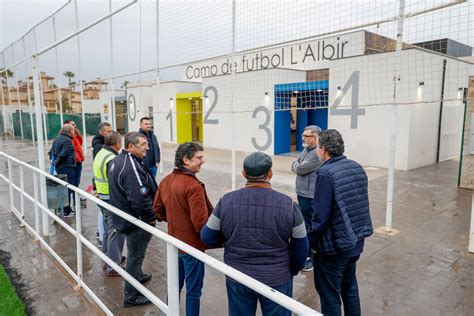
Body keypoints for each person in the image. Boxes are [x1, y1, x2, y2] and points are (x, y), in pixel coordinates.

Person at [201, 152, 308, 316]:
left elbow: (207, 237)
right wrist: (292, 269)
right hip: (277, 278)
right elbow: (301, 246)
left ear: (244, 174)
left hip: (238, 276)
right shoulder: (289, 205)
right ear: (270, 174)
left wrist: (228, 239)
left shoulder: (225, 201)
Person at [308, 129, 373, 316]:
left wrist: (311, 242)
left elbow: (320, 218)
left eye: (318, 147)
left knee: (330, 295)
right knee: (349, 287)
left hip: (334, 248)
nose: (317, 151)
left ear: (324, 149)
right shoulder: (356, 167)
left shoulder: (325, 174)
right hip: (355, 242)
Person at [153, 142, 213, 316]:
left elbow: (157, 210)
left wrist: (174, 220)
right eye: (199, 158)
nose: (203, 161)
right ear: (186, 160)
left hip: (174, 244)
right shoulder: (193, 186)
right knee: (193, 291)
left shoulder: (166, 181)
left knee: (174, 286)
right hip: (192, 247)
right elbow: (200, 223)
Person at [108, 131, 157, 307]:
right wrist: (150, 219)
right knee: (135, 256)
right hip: (134, 221)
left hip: (124, 218)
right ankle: (131, 296)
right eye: (143, 144)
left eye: (147, 144)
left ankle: (137, 276)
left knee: (135, 254)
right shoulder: (130, 166)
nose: (147, 147)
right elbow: (140, 199)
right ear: (130, 146)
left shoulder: (119, 160)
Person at [92, 131, 126, 276]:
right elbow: (116, 182)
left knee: (107, 230)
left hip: (102, 198)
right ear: (117, 143)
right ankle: (114, 266)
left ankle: (110, 257)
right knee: (115, 232)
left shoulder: (100, 153)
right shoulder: (112, 158)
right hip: (111, 200)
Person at [291, 125, 322, 272]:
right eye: (302, 135)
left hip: (310, 195)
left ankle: (311, 257)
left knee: (309, 226)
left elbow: (300, 168)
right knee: (305, 223)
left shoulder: (316, 153)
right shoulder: (306, 150)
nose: (302, 137)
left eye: (306, 136)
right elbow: (296, 164)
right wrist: (297, 165)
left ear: (315, 138)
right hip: (302, 192)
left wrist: (297, 166)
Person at [91, 122, 113, 244]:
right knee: (103, 212)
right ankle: (102, 235)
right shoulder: (100, 147)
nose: (111, 132)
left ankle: (101, 234)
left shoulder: (101, 145)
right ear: (102, 133)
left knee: (102, 211)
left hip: (101, 185)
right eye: (108, 131)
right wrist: (96, 185)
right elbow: (99, 167)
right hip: (103, 187)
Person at [49, 124, 76, 216]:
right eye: (73, 130)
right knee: (68, 188)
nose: (74, 132)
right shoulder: (67, 140)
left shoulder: (57, 138)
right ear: (69, 131)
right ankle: (66, 210)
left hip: (60, 167)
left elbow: (52, 151)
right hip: (67, 166)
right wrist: (58, 161)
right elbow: (64, 153)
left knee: (62, 187)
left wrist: (55, 162)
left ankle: (61, 208)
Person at [64, 119, 86, 208]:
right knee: (71, 184)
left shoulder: (74, 135)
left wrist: (77, 132)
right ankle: (71, 203)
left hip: (78, 161)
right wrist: (76, 159)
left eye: (75, 124)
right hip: (73, 163)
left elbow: (80, 142)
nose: (75, 126)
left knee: (76, 183)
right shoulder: (67, 137)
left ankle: (76, 200)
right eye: (73, 125)